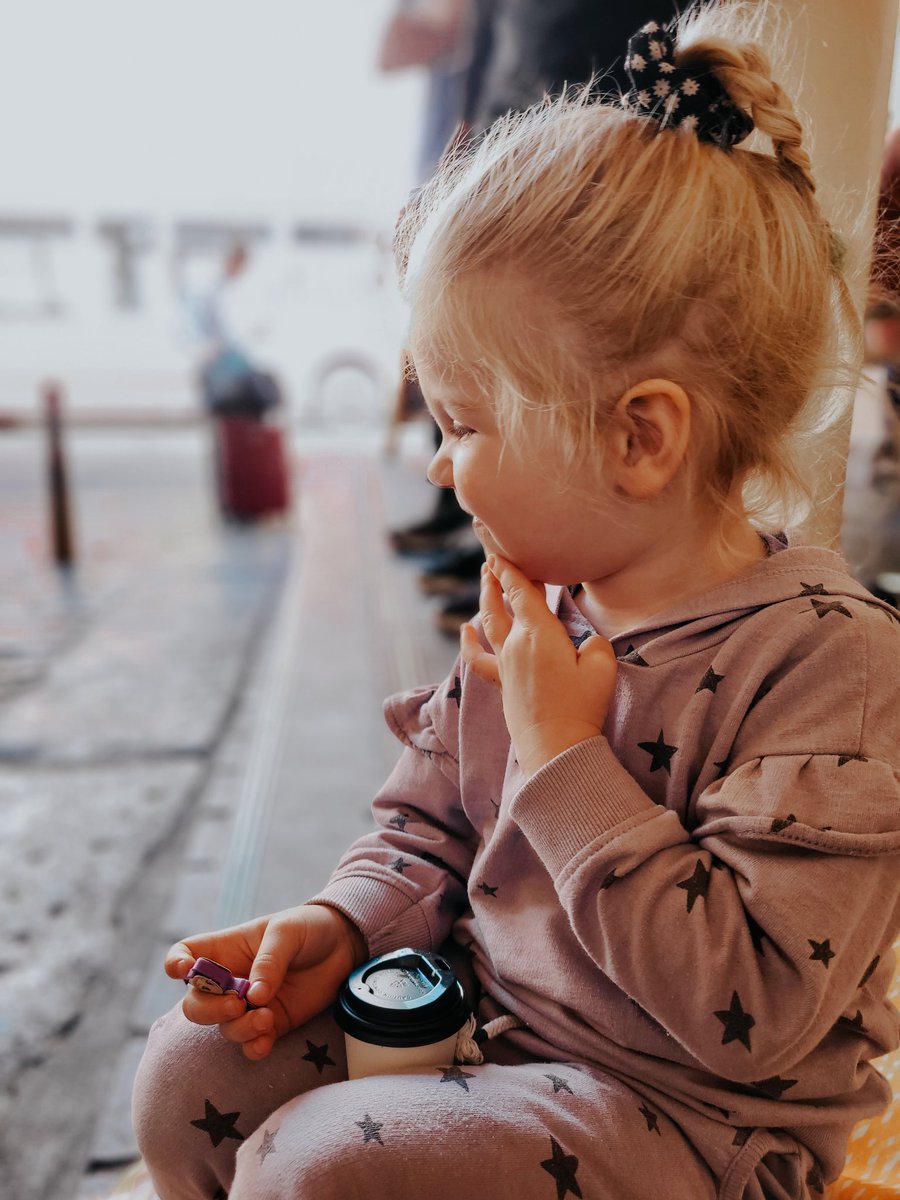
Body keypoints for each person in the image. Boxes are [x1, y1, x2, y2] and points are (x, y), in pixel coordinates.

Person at [133, 7, 900, 1198]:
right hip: (495, 1028)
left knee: (311, 1168)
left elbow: (747, 1006)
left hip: (691, 1121)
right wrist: (345, 923)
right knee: (192, 1075)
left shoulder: (830, 668)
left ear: (640, 438)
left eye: (465, 424)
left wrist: (562, 751)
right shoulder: (541, 604)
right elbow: (425, 823)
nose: (442, 468)